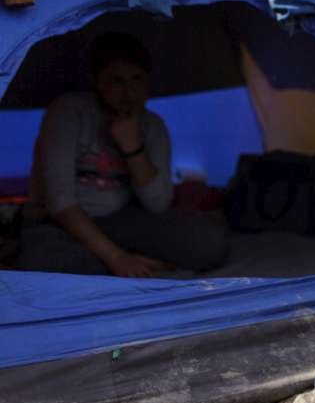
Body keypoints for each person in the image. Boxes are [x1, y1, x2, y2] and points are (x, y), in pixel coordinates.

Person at [16, 32, 229, 277]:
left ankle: (117, 259)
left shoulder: (152, 126)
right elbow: (60, 202)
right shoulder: (69, 112)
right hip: (59, 222)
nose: (128, 92)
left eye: (137, 79)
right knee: (44, 264)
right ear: (95, 81)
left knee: (210, 243)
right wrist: (116, 257)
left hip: (118, 219)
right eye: (116, 80)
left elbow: (157, 204)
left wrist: (133, 148)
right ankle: (120, 261)